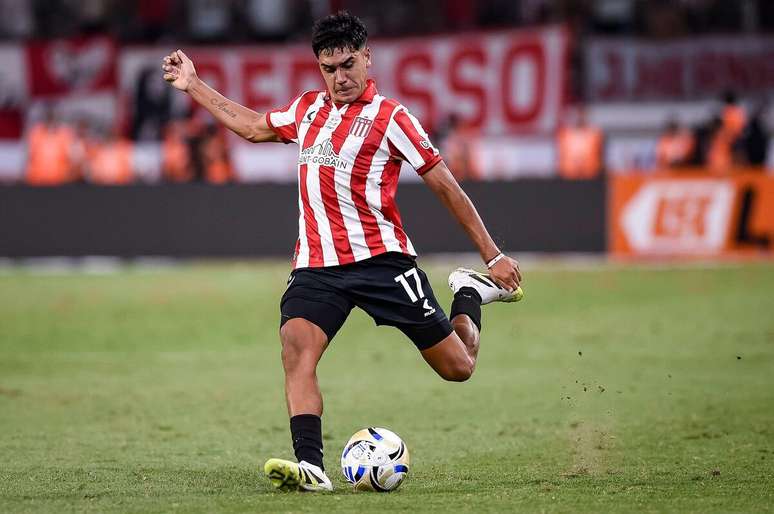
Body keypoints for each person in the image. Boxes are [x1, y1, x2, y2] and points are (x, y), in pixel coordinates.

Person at [162, 10, 523, 492]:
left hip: (383, 262)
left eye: (348, 65)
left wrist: (492, 255)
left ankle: (469, 294)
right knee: (296, 347)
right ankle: (311, 465)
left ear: (367, 59)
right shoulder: (309, 109)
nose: (340, 77)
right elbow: (252, 126)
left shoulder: (393, 118)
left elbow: (446, 185)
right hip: (317, 266)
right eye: (329, 69)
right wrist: (194, 85)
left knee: (458, 367)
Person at [556, 106, 603, 179]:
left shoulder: (594, 134)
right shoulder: (565, 134)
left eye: (582, 115)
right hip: (569, 175)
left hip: (590, 175)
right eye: (577, 115)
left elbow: (598, 154)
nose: (579, 118)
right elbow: (561, 156)